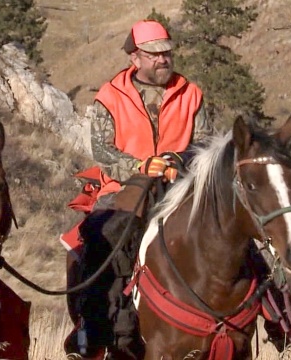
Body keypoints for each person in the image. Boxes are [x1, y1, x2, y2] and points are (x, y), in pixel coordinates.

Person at [64, 19, 213, 359]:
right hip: (123, 188)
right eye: (155, 54)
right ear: (135, 58)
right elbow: (102, 152)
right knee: (102, 237)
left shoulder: (192, 94)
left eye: (167, 53)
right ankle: (92, 325)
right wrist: (140, 166)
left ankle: (281, 312)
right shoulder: (110, 96)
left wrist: (178, 159)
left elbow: (207, 142)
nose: (164, 59)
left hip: (180, 186)